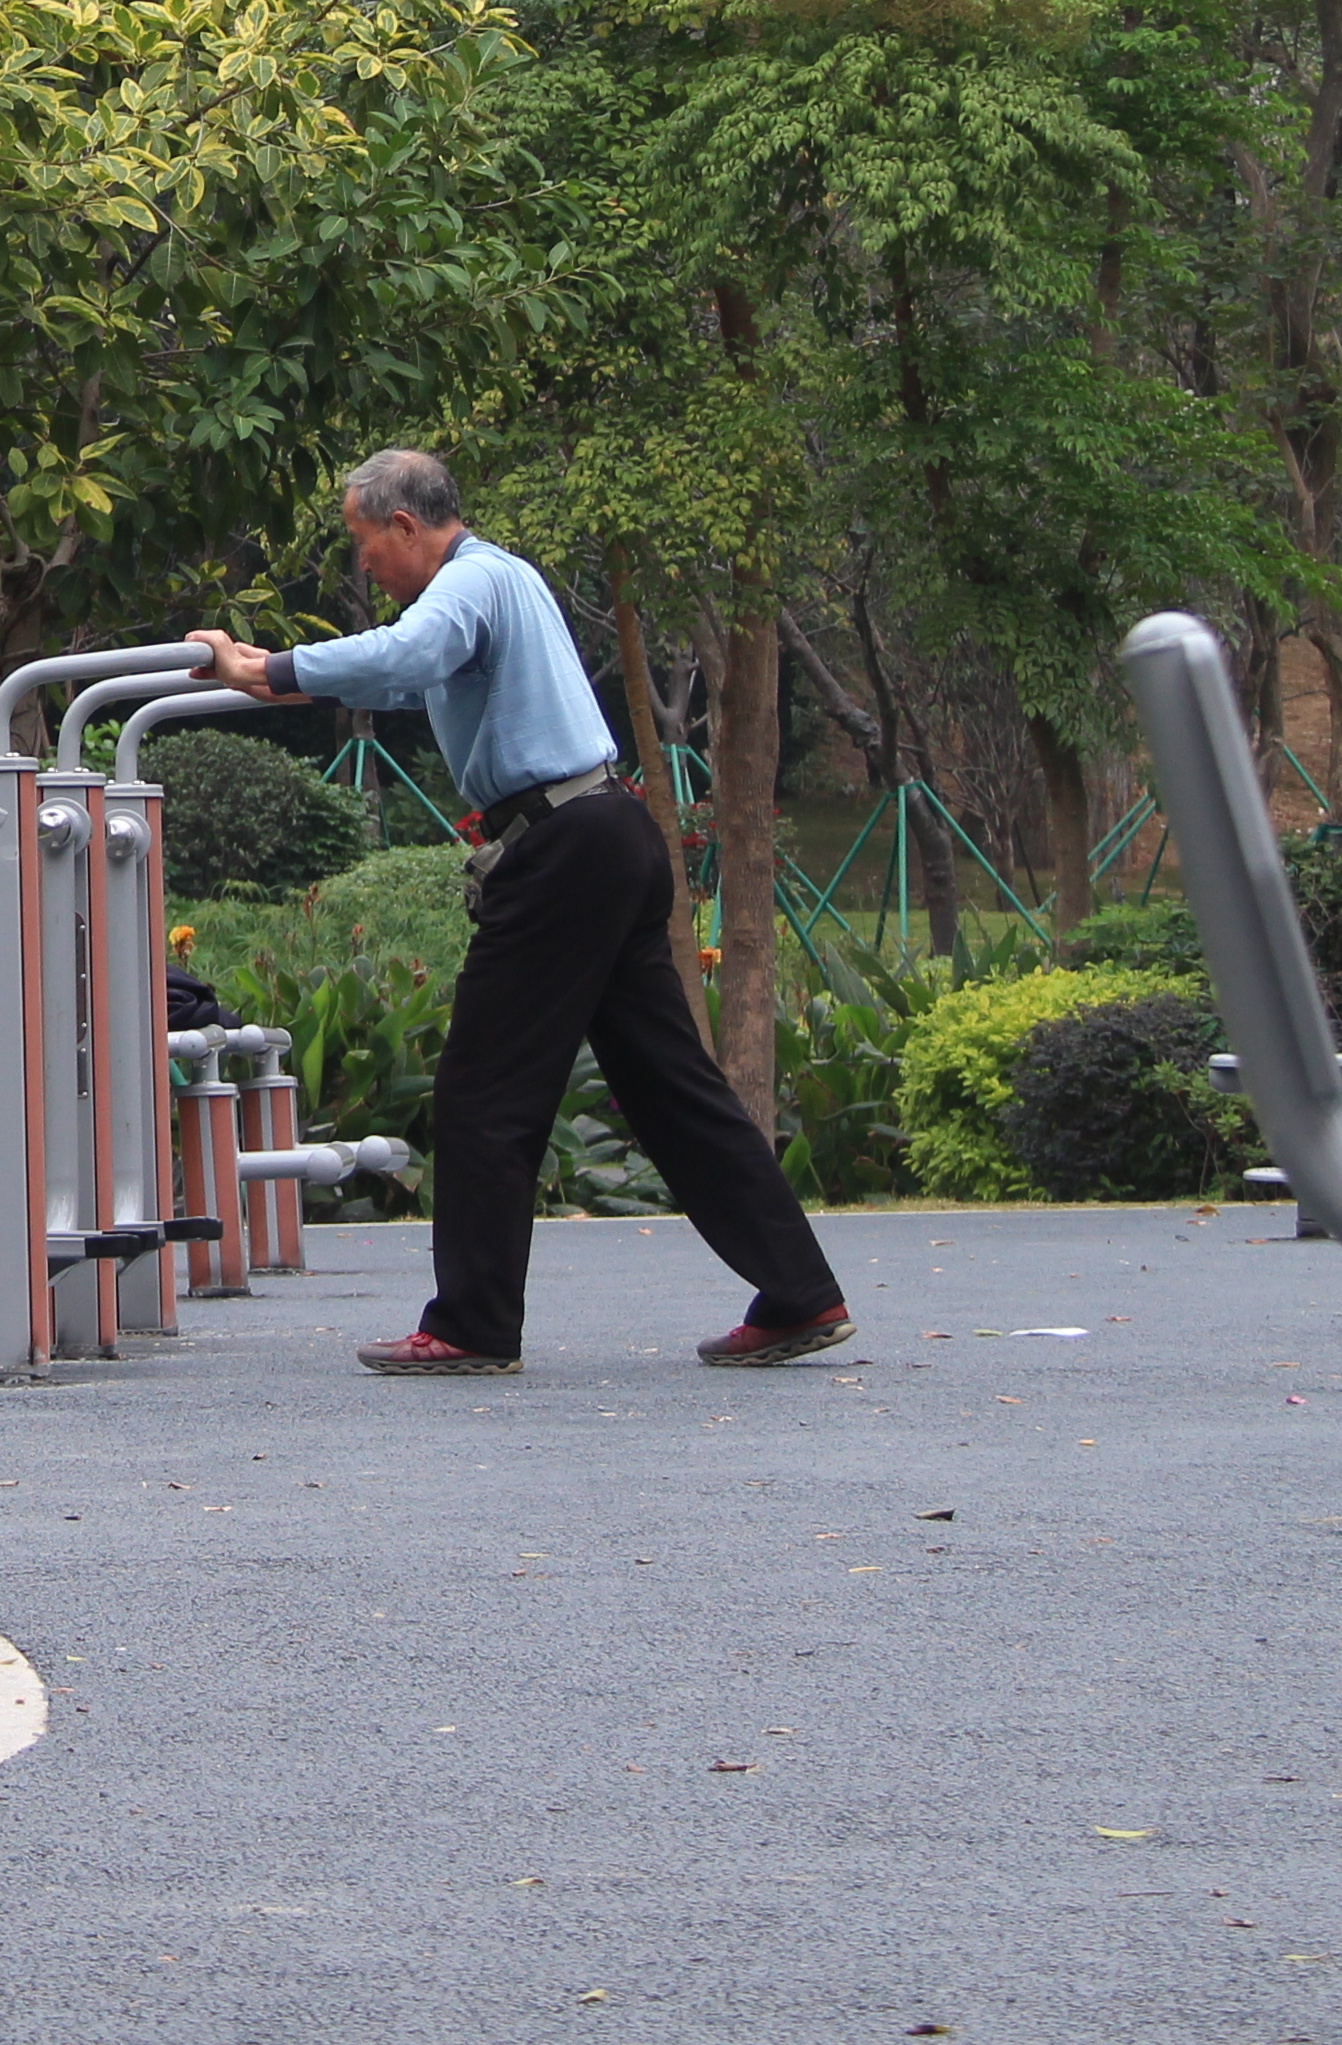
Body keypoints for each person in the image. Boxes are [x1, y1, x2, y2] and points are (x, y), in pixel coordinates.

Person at [193, 447, 850, 1376]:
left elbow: (404, 652)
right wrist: (259, 672)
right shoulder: (495, 588)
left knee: (484, 1089)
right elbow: (388, 681)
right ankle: (800, 1292)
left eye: (364, 543)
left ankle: (472, 1322)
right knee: (673, 1092)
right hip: (608, 833)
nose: (364, 565)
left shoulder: (474, 583)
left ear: (407, 527)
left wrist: (269, 663)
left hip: (563, 851)